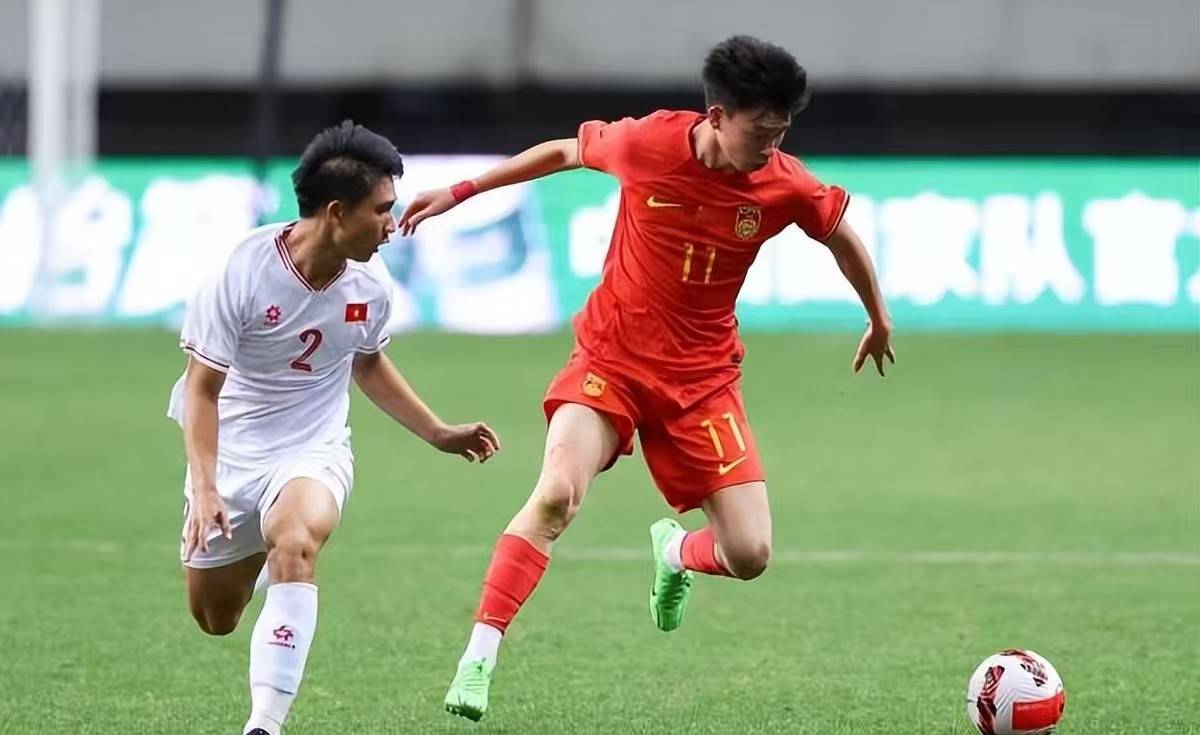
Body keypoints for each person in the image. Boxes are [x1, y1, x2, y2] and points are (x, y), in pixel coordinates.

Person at [399, 36, 894, 723]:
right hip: (612, 362)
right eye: (761, 131)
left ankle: (677, 552)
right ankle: (479, 654)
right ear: (717, 116)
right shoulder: (646, 144)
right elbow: (564, 152)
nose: (772, 145)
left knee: (750, 553)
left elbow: (840, 234)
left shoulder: (785, 183)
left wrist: (877, 315)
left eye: (782, 131)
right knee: (555, 495)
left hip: (703, 382)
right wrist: (462, 191)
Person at [169, 120, 501, 735]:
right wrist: (207, 486)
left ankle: (264, 723)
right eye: (382, 209)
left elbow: (366, 363)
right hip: (233, 454)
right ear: (336, 213)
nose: (392, 225)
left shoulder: (370, 284)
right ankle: (261, 556)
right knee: (215, 618)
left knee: (297, 540)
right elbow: (201, 390)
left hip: (312, 449)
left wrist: (438, 432)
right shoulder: (241, 273)